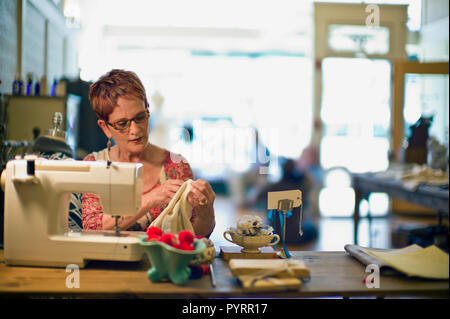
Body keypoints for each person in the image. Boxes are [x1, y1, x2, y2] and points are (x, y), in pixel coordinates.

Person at [82, 69, 215, 237]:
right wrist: (150, 199)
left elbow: (193, 236)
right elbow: (91, 228)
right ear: (105, 128)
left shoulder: (176, 166)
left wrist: (206, 213)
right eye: (122, 123)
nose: (135, 130)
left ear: (148, 110)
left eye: (140, 117)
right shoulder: (95, 165)